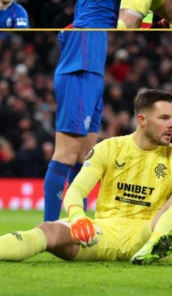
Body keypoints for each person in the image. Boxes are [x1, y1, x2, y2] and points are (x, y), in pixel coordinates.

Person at [0, 89, 172, 266]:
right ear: (142, 120)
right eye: (164, 118)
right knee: (48, 231)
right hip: (103, 232)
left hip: (147, 231)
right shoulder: (110, 148)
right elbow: (76, 189)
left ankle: (157, 246)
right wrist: (78, 217)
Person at [43, 29, 108, 221]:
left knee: (85, 159)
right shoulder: (81, 10)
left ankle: (77, 225)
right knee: (66, 154)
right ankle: (49, 229)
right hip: (78, 72)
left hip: (94, 75)